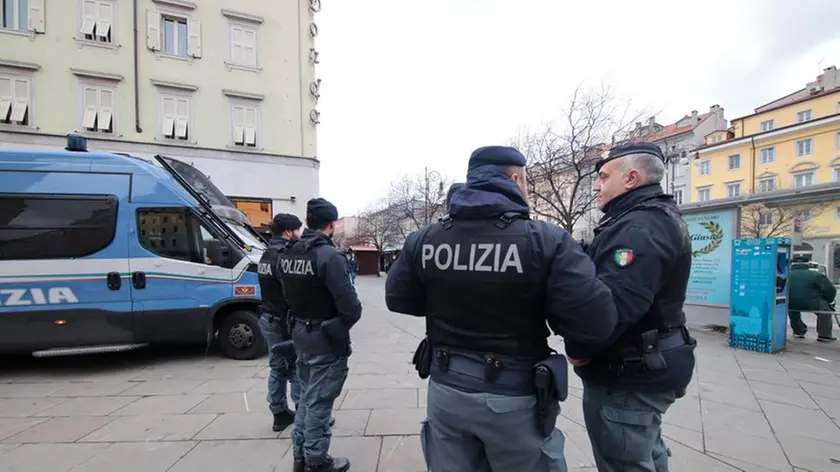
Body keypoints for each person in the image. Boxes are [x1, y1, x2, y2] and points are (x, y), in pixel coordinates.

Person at [385, 145, 620, 471]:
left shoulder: (426, 238)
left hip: (446, 390)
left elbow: (398, 299)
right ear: (514, 179)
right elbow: (595, 322)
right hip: (514, 399)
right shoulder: (545, 239)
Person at [570, 142, 697, 472]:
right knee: (646, 452)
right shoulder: (641, 219)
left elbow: (613, 308)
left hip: (629, 372)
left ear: (631, 178)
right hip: (645, 364)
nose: (596, 185)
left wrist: (579, 348)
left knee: (624, 461)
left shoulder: (639, 227)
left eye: (602, 176)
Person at [278, 198, 362, 472]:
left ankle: (301, 455)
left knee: (305, 397)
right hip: (324, 338)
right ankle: (316, 460)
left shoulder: (289, 252)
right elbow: (351, 307)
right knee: (318, 401)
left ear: (307, 222)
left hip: (301, 331)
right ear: (332, 224)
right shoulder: (329, 256)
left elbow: (285, 293)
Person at [257, 213, 304, 432]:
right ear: (288, 232)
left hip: (267, 316)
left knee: (276, 367)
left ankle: (279, 412)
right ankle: (305, 415)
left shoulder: (266, 253)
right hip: (283, 320)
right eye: (298, 230)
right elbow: (291, 292)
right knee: (295, 367)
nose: (300, 233)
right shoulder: (284, 255)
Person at [788, 256, 837, 342]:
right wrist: (829, 301)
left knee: (793, 312)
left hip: (791, 303)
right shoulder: (816, 275)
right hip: (812, 303)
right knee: (825, 311)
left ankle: (799, 331)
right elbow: (830, 290)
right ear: (808, 264)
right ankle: (824, 335)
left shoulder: (787, 275)